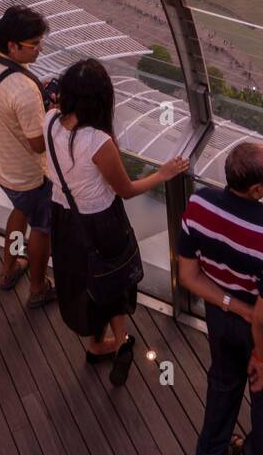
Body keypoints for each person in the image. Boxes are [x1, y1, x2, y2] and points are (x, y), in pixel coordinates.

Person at [46, 58, 187, 386]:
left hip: (64, 218)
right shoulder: (98, 141)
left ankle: (99, 344)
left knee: (86, 279)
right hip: (102, 221)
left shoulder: (50, 120)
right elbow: (125, 190)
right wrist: (163, 174)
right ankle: (120, 339)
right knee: (113, 275)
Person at [178, 141, 263, 455]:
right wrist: (260, 356)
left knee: (223, 383)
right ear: (257, 189)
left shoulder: (198, 203)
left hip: (220, 314)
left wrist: (231, 306)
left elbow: (188, 276)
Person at [0, 5, 56, 304]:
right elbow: (37, 144)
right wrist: (53, 113)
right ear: (13, 45)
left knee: (20, 212)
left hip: (0, 165)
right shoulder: (24, 89)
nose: (39, 50)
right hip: (30, 175)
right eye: (34, 45)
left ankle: (10, 268)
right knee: (42, 230)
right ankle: (37, 287)